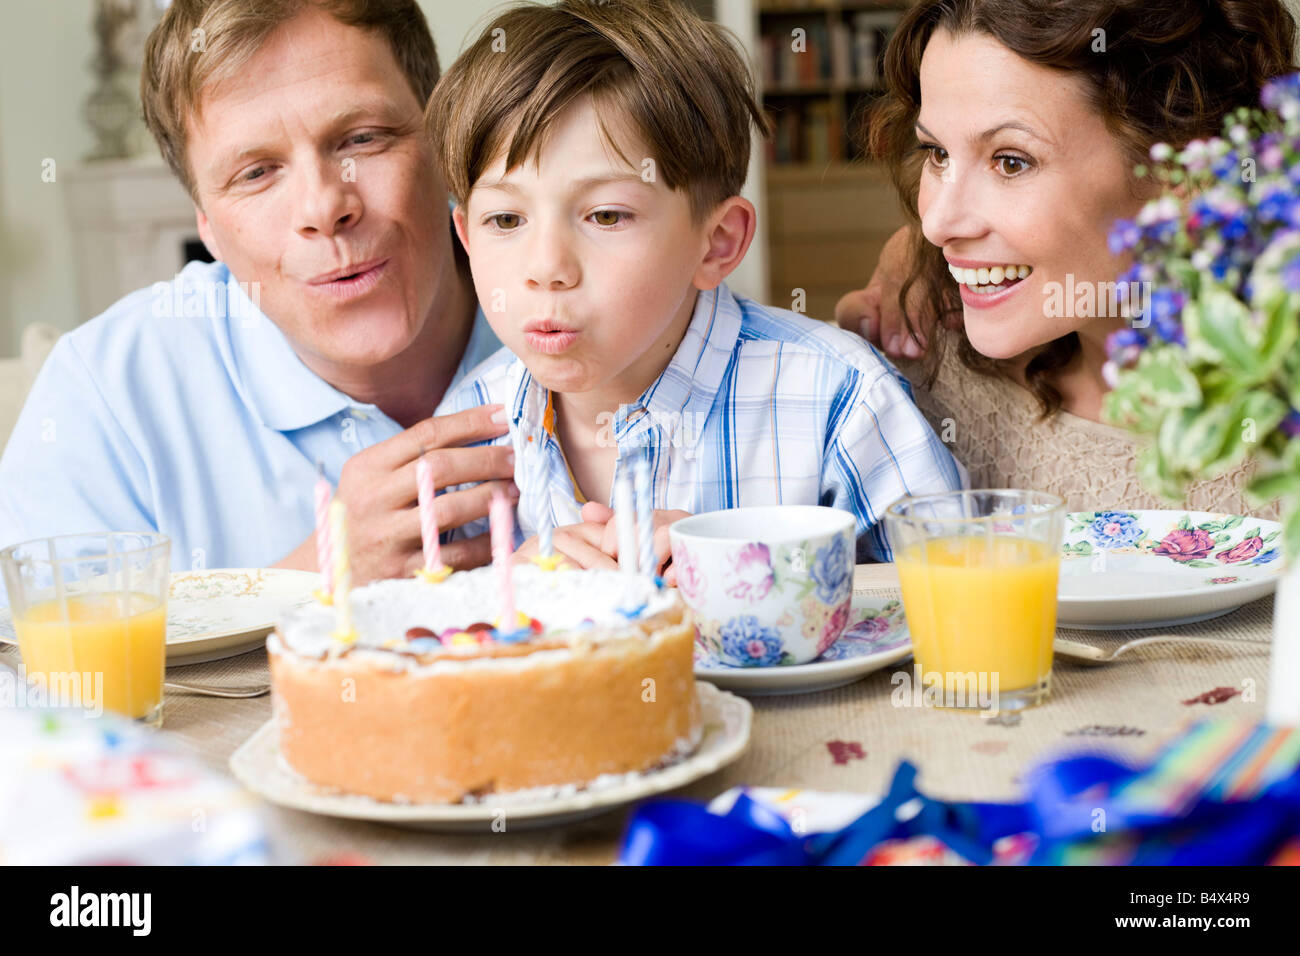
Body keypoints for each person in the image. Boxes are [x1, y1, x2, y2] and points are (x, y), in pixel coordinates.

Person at [0, 0, 565, 593]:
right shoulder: (109, 393)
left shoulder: (599, 304)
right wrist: (311, 580)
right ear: (208, 228)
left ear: (443, 142)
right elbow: (42, 671)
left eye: (361, 138)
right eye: (256, 173)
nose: (325, 208)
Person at [429, 0, 964, 567]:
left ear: (718, 243)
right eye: (506, 220)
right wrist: (512, 599)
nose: (546, 268)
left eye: (606, 216)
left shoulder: (841, 403)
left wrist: (753, 579)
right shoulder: (465, 431)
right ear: (465, 236)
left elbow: (968, 606)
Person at [833, 0, 1294, 515]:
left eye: (1010, 162)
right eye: (937, 153)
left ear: (1183, 170)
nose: (938, 223)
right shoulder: (928, 382)